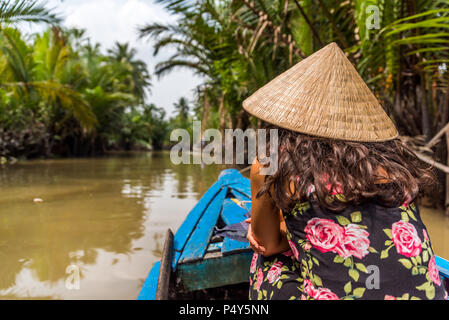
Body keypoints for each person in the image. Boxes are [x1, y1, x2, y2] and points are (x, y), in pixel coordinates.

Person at [242, 42, 448, 300]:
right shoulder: (393, 166)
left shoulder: (271, 161)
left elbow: (267, 244)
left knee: (265, 265)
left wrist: (279, 233)